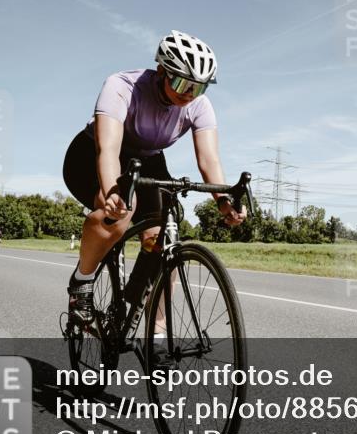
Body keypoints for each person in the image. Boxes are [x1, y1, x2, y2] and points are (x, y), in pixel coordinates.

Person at [62, 29, 246, 325]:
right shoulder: (122, 85)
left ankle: (152, 326)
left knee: (164, 236)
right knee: (122, 211)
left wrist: (223, 199)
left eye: (198, 87)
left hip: (147, 160)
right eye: (182, 82)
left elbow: (209, 159)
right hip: (93, 153)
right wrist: (112, 193)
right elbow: (108, 149)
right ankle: (82, 280)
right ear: (161, 71)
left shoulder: (199, 105)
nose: (189, 93)